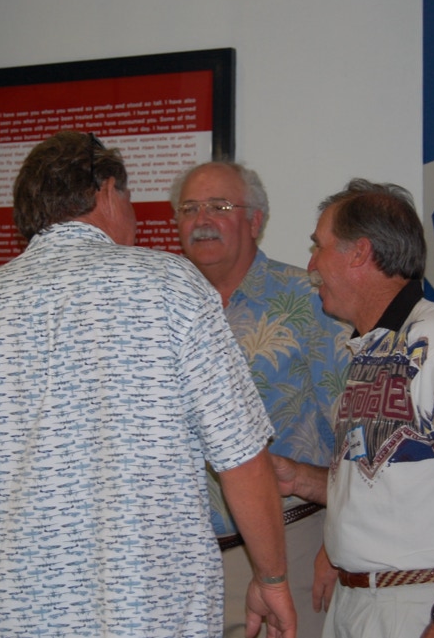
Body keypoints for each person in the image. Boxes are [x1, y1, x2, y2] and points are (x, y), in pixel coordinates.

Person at [0, 131, 296, 638]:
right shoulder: (171, 286)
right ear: (107, 191)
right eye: (128, 197)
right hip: (150, 615)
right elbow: (241, 458)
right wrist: (271, 577)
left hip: (19, 618)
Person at [273, 179, 434, 638]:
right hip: (358, 604)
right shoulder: (372, 347)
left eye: (319, 246)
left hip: (418, 606)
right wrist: (298, 479)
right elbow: (386, 483)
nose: (311, 265)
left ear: (360, 253)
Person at [170, 161, 352, 638]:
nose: (202, 220)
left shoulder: (311, 300)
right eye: (189, 208)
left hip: (293, 547)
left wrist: (339, 544)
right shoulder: (160, 308)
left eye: (219, 206)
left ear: (255, 221)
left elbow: (356, 434)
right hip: (180, 566)